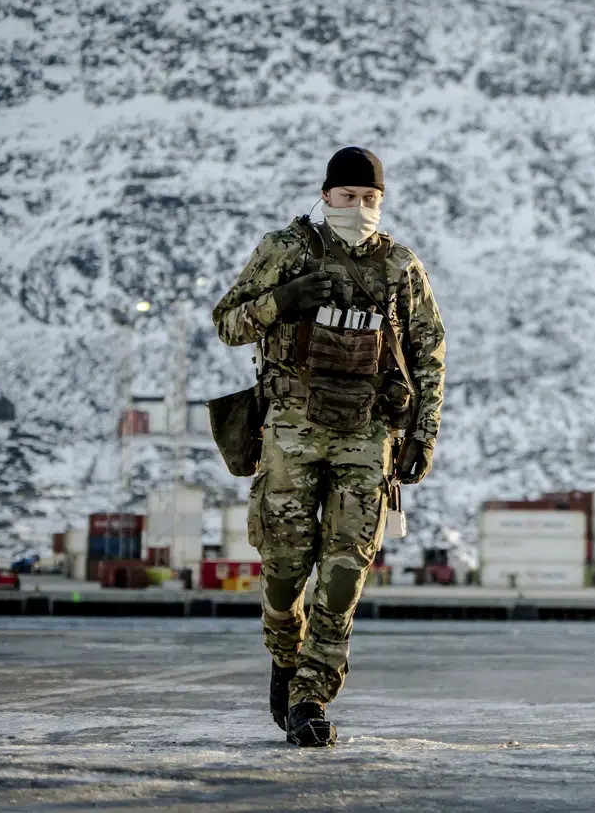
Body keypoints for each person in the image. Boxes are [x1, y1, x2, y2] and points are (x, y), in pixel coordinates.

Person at [213, 146, 446, 747]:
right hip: (291, 429)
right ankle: (284, 655)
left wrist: (423, 434)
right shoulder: (286, 249)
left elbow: (428, 351)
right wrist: (283, 302)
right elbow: (228, 323)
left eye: (370, 199)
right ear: (325, 194)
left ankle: (311, 693)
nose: (359, 208)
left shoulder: (398, 265)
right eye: (348, 198)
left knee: (345, 572)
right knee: (285, 571)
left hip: (367, 435)